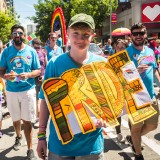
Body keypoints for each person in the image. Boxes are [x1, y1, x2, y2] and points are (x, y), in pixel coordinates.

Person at [37, 13, 107, 160]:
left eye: (85, 34)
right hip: (60, 144)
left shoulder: (102, 64)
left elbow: (107, 100)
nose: (80, 39)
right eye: (75, 33)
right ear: (68, 33)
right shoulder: (55, 64)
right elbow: (45, 101)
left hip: (91, 144)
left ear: (92, 36)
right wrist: (41, 136)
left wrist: (106, 116)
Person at [0, 24, 41, 160]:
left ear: (23, 35)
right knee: (16, 119)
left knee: (27, 121)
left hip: (27, 90)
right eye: (15, 33)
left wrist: (29, 75)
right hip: (12, 91)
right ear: (12, 36)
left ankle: (30, 149)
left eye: (19, 33)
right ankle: (18, 137)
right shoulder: (6, 52)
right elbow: (1, 70)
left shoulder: (31, 51)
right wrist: (7, 76)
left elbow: (38, 71)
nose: (17, 35)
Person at [125, 22, 160, 160]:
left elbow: (155, 71)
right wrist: (133, 72)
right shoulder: (126, 53)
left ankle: (134, 139)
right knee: (136, 128)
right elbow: (119, 76)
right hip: (135, 97)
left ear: (145, 34)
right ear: (131, 36)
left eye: (141, 33)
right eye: (135, 33)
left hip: (151, 96)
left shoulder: (150, 51)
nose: (138, 36)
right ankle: (138, 153)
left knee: (152, 125)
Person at [114, 39, 128, 143]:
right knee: (118, 114)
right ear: (115, 47)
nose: (120, 49)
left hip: (127, 89)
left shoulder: (128, 60)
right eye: (118, 47)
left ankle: (135, 136)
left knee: (131, 113)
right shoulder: (109, 60)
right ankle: (118, 133)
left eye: (122, 47)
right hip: (116, 91)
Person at [32, 38, 48, 126]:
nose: (37, 50)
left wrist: (44, 75)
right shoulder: (30, 54)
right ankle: (36, 117)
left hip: (41, 79)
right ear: (32, 46)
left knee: (41, 99)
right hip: (33, 79)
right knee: (35, 99)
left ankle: (39, 119)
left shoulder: (43, 53)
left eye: (38, 48)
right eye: (35, 48)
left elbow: (47, 65)